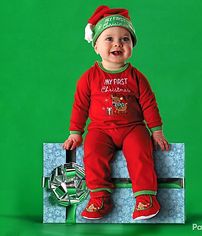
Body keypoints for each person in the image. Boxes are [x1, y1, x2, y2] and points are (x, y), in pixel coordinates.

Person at [63, 5, 169, 220]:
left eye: (125, 39)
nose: (117, 43)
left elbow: (149, 103)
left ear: (132, 46)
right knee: (92, 152)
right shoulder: (88, 78)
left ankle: (145, 198)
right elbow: (80, 106)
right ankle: (100, 197)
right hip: (101, 130)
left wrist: (156, 131)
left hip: (133, 128)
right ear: (96, 46)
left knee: (141, 151)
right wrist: (75, 132)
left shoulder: (137, 77)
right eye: (109, 38)